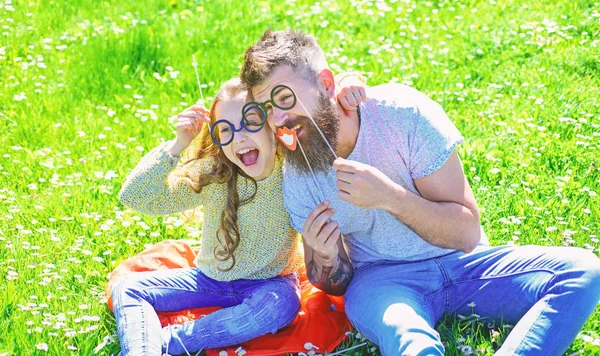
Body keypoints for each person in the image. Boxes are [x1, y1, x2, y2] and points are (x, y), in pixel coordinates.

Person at [239, 29, 600, 356]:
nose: (278, 120)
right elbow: (330, 282)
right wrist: (326, 257)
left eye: (284, 98)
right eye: (266, 108)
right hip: (383, 281)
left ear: (327, 83)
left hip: (467, 264)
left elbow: (466, 232)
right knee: (409, 340)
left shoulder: (402, 115)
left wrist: (390, 197)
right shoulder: (298, 167)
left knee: (584, 272)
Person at [113, 75, 366, 355]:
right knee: (128, 288)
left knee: (281, 306)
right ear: (219, 140)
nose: (240, 136)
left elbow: (320, 110)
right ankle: (142, 349)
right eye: (226, 129)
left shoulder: (293, 169)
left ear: (272, 125)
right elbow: (135, 197)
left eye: (250, 122)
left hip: (271, 285)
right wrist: (177, 145)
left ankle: (170, 340)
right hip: (209, 281)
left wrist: (347, 82)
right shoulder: (214, 173)